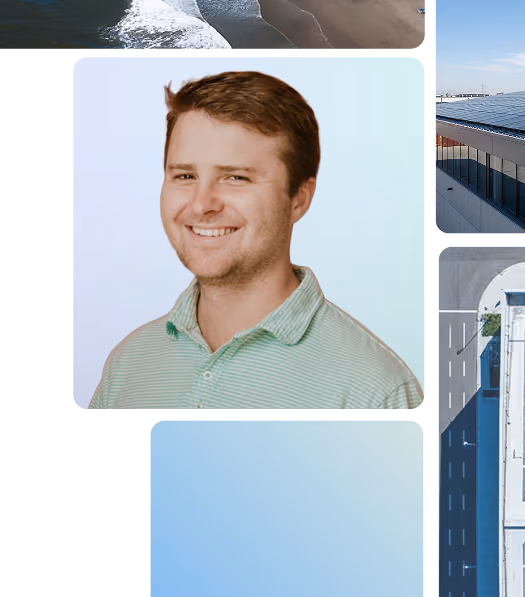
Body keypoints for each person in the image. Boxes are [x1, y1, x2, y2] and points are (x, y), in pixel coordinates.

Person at [88, 71, 422, 409]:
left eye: (236, 177)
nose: (202, 204)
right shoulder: (128, 364)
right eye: (185, 175)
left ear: (299, 199)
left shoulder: (376, 393)